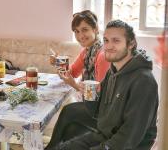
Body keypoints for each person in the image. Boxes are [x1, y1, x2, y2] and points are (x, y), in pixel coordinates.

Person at [50, 20, 158, 150]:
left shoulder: (143, 81)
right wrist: (90, 96)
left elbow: (129, 137)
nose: (108, 46)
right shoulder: (112, 72)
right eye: (106, 40)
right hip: (104, 135)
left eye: (116, 41)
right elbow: (96, 112)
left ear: (131, 44)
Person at [45, 10, 110, 148]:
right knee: (70, 131)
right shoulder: (87, 51)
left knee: (69, 111)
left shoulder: (102, 55)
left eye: (84, 30)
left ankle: (50, 148)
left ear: (96, 29)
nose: (80, 36)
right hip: (93, 107)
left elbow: (99, 94)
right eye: (76, 31)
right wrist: (57, 62)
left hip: (106, 113)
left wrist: (74, 85)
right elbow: (72, 73)